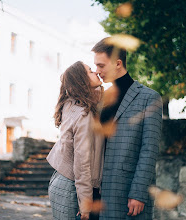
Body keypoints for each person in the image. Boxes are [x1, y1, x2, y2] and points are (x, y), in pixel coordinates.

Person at [92, 38, 163, 219]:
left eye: (101, 66)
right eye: (95, 66)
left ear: (118, 63)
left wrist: (138, 193)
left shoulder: (149, 98)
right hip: (98, 192)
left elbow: (149, 149)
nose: (97, 71)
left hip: (128, 193)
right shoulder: (100, 99)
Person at [47, 61, 105, 220]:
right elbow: (82, 162)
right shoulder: (83, 114)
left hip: (65, 181)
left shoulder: (75, 104)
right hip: (73, 188)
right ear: (82, 80)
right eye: (90, 71)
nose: (96, 72)